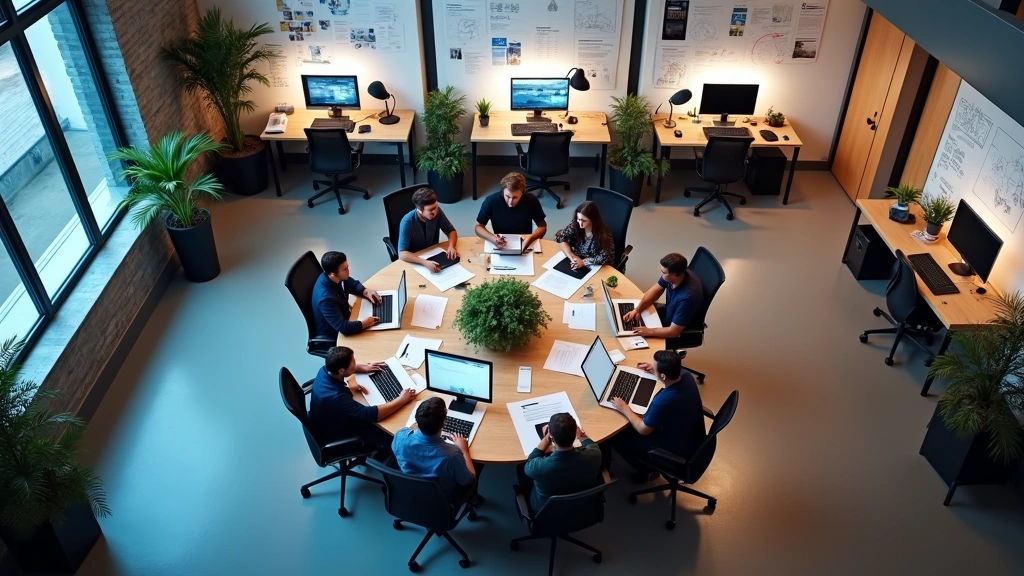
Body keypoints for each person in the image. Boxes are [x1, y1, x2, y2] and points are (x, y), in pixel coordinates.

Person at [605, 350, 707, 480]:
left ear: (664, 376)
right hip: (692, 435)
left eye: (655, 366)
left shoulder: (665, 400)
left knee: (618, 437)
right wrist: (655, 371)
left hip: (677, 447)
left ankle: (644, 471)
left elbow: (643, 429)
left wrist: (624, 408)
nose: (652, 367)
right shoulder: (686, 376)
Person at [308, 346, 416, 454]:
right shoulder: (337, 397)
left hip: (324, 418)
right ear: (341, 370)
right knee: (390, 435)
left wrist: (363, 367)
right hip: (336, 432)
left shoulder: (325, 370)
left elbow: (339, 378)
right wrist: (402, 399)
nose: (356, 363)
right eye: (353, 362)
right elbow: (370, 415)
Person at [392, 397, 481, 504]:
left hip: (411, 490)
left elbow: (396, 450)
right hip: (440, 499)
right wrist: (464, 450)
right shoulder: (452, 455)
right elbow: (468, 480)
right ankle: (474, 500)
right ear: (444, 423)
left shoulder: (400, 436)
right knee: (478, 465)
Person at [517, 413, 602, 513]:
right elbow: (591, 444)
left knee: (519, 468)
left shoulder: (538, 468)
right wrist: (581, 437)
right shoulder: (594, 455)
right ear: (575, 433)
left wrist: (546, 438)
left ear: (552, 436)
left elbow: (530, 461)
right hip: (582, 504)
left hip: (546, 510)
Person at [623, 252, 704, 340]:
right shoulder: (676, 273)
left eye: (664, 272)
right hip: (669, 313)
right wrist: (637, 310)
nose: (662, 275)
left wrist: (649, 331)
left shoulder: (687, 298)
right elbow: (656, 291)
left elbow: (674, 332)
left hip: (675, 327)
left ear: (675, 274)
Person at [312, 251, 382, 338]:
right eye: (345, 269)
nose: (349, 271)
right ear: (333, 273)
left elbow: (350, 283)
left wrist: (365, 291)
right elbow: (344, 328)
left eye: (347, 267)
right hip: (335, 334)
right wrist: (366, 323)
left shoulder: (331, 276)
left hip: (347, 316)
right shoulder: (326, 299)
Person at [474, 172, 547, 252]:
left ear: (522, 192)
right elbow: (478, 227)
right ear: (503, 191)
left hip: (524, 240)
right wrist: (493, 239)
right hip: (501, 241)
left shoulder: (531, 200)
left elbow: (542, 226)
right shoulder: (491, 201)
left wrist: (531, 238)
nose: (510, 202)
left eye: (515, 197)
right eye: (507, 196)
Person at [398, 187, 459, 272]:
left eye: (436, 207)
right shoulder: (407, 223)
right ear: (420, 210)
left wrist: (452, 246)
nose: (435, 212)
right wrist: (424, 262)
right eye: (431, 210)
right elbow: (402, 254)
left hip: (432, 252)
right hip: (415, 258)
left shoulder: (437, 212)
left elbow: (451, 231)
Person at [554, 201, 615, 269]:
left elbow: (603, 258)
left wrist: (583, 262)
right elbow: (563, 238)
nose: (580, 223)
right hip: (576, 259)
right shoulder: (576, 224)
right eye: (578, 219)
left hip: (595, 265)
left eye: (584, 220)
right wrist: (573, 257)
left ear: (593, 220)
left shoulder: (604, 235)